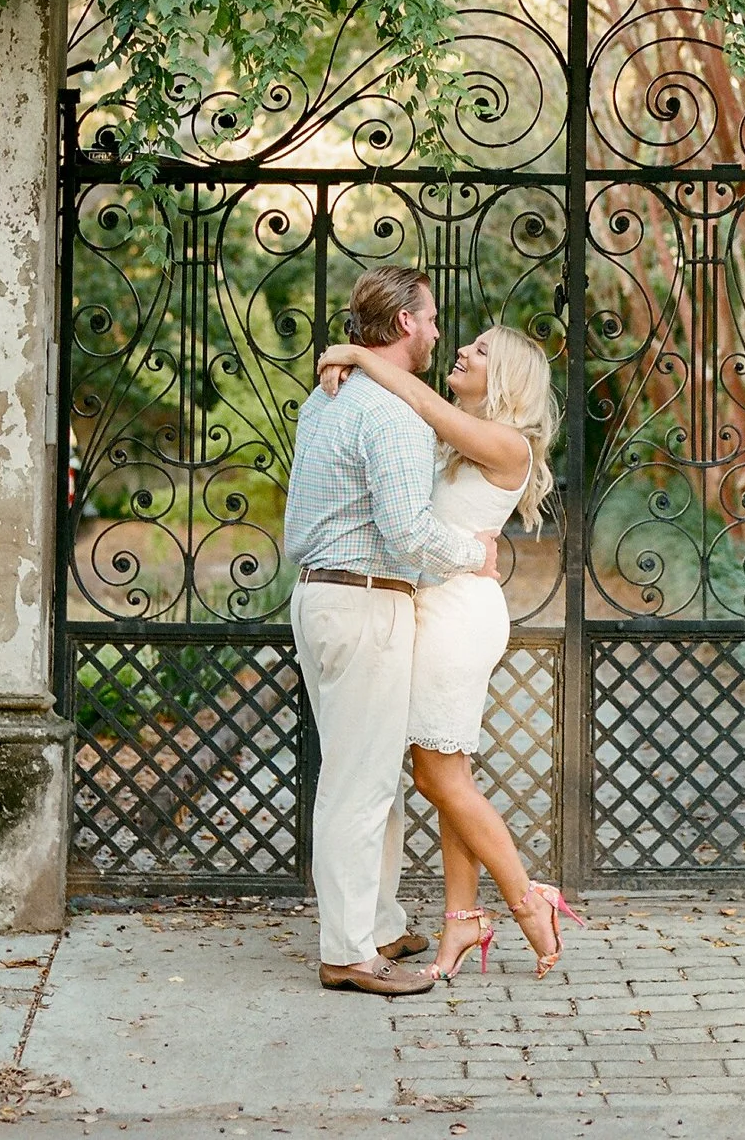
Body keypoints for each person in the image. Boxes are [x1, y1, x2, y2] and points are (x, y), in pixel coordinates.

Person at [317, 323, 582, 981]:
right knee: (449, 774)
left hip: (457, 615)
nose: (462, 349)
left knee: (439, 777)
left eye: (483, 350)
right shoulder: (457, 439)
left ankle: (529, 900)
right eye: (467, 342)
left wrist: (357, 355)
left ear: (509, 380)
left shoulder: (505, 442)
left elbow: (423, 403)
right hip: (435, 608)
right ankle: (461, 922)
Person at [282, 267, 490, 996]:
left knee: (371, 774)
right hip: (363, 601)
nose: (438, 331)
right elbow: (406, 529)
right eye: (431, 319)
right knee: (358, 781)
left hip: (328, 597)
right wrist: (477, 554)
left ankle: (377, 922)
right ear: (405, 323)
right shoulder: (390, 412)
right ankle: (347, 950)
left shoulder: (328, 395)